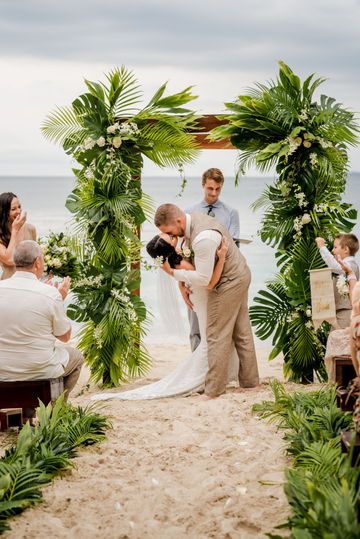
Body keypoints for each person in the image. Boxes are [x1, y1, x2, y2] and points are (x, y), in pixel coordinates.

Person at [92, 232, 232, 401]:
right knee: (209, 342)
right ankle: (205, 378)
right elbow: (208, 282)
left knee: (209, 340)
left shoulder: (178, 260)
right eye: (170, 238)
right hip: (203, 299)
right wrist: (222, 257)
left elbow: (186, 275)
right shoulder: (181, 264)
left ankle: (216, 374)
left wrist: (181, 284)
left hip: (198, 297)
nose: (173, 236)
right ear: (171, 246)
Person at [156, 204, 259, 400]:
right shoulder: (193, 219)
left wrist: (172, 273)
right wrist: (181, 285)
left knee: (215, 333)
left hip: (229, 281)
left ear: (177, 221)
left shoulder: (202, 238)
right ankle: (250, 383)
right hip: (240, 273)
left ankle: (214, 389)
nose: (172, 237)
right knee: (241, 330)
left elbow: (205, 280)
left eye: (169, 232)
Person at [0, 240, 83, 414]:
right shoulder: (50, 294)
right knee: (76, 357)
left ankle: (27, 413)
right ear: (38, 262)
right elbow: (64, 337)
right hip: (38, 368)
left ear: (15, 262)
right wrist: (60, 298)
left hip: (3, 368)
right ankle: (56, 410)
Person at [185, 168, 240, 351]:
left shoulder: (231, 213)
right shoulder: (190, 212)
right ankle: (196, 367)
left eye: (218, 189)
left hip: (222, 276)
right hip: (195, 275)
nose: (213, 193)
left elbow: (234, 246)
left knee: (220, 325)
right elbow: (184, 247)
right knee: (195, 325)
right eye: (210, 188)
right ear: (203, 185)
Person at [315, 233, 359, 328]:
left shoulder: (350, 265)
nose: (332, 250)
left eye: (335, 247)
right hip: (340, 312)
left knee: (340, 339)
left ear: (346, 249)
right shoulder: (347, 265)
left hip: (346, 312)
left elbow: (334, 265)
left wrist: (322, 247)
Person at [0, 192, 36, 280]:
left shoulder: (30, 229)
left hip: (30, 283)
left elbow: (35, 258)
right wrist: (15, 230)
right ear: (4, 212)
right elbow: (9, 260)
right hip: (8, 285)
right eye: (13, 209)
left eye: (19, 207)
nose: (19, 211)